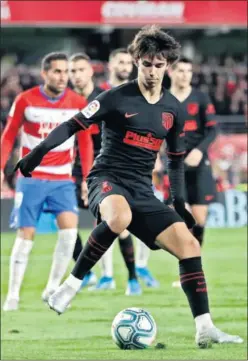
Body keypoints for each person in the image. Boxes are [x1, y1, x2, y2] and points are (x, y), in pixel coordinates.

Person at [14, 26, 242, 347]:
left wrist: (177, 201)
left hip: (142, 190)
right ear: (137, 61)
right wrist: (37, 152)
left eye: (158, 64)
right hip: (106, 179)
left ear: (168, 66)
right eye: (146, 63)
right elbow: (72, 124)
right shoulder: (115, 97)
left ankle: (205, 327)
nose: (152, 70)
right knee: (119, 219)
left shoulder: (173, 109)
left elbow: (175, 160)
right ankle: (70, 285)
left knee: (190, 246)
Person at [1, 52, 93, 311]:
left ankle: (52, 287)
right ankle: (13, 296)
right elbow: (8, 136)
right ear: (45, 74)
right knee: (25, 235)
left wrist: (87, 177)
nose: (63, 76)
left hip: (63, 180)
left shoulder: (78, 102)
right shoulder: (25, 100)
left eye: (66, 72)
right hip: (31, 179)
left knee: (69, 233)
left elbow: (85, 142)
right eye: (57, 71)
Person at [69, 51, 143, 295]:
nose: (76, 75)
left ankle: (131, 278)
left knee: (114, 224)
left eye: (81, 70)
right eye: (73, 71)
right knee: (67, 222)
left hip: (104, 166)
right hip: (72, 168)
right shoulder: (67, 100)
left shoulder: (102, 97)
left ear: (91, 71)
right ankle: (91, 274)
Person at [98, 48, 159, 291]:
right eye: (120, 62)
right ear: (110, 65)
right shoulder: (99, 94)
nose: (125, 66)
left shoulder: (141, 93)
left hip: (138, 167)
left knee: (144, 216)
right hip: (106, 168)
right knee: (108, 221)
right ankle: (108, 276)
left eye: (127, 62)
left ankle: (140, 267)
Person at [168, 57, 218, 288]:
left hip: (198, 166)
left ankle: (194, 271)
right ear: (171, 72)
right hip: (173, 166)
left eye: (189, 70)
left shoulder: (200, 98)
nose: (185, 74)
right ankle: (185, 270)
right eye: (180, 70)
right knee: (179, 222)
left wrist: (198, 151)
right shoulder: (163, 98)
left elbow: (212, 130)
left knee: (198, 221)